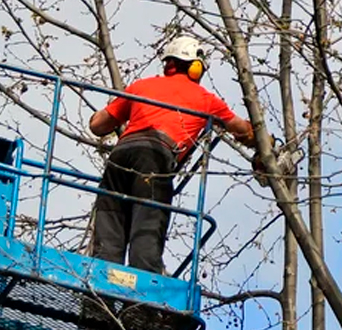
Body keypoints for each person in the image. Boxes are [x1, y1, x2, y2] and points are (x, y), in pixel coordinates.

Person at [87, 35, 257, 275]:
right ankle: (141, 302)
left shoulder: (141, 86)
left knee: (110, 221)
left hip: (120, 155)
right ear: (195, 67)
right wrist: (261, 139)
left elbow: (97, 125)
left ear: (169, 64)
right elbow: (242, 130)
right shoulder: (206, 100)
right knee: (147, 224)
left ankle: (98, 294)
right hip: (155, 157)